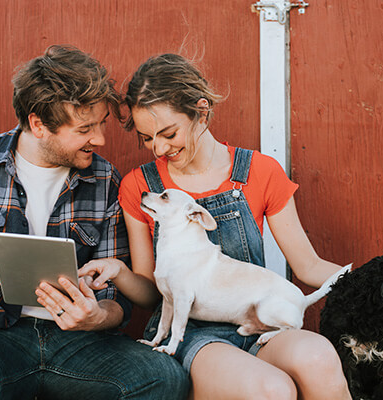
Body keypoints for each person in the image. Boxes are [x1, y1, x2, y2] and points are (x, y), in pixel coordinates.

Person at [0, 45, 189, 400]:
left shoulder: (104, 179)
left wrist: (97, 316)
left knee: (164, 377)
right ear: (38, 124)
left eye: (100, 124)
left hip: (80, 344)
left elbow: (119, 302)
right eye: (85, 129)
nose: (99, 139)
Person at [80, 53, 353, 399]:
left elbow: (308, 266)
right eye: (148, 139)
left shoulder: (260, 171)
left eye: (168, 133)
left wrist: (374, 285)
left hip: (258, 318)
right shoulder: (140, 186)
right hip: (192, 332)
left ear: (202, 111)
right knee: (271, 389)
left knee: (319, 357)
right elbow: (151, 292)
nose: (159, 149)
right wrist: (119, 271)